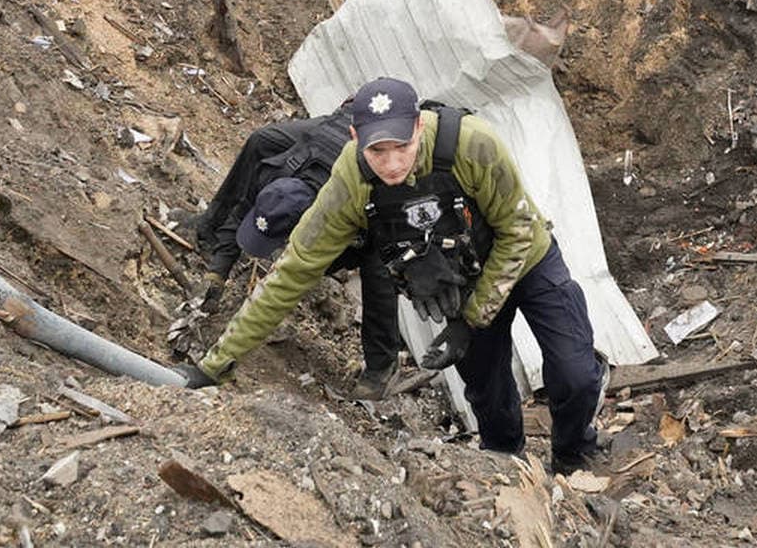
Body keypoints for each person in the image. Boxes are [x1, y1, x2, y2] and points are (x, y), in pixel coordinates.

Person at [189, 77, 610, 476]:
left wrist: (472, 319)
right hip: (462, 277)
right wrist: (216, 363)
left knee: (573, 374)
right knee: (486, 387)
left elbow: (518, 232)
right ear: (356, 140)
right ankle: (507, 463)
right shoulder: (351, 183)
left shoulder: (470, 142)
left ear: (418, 126)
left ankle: (573, 456)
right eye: (377, 152)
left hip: (527, 259)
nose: (391, 164)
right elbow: (293, 271)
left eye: (402, 147)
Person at [171, 110, 400, 397]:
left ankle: (382, 366)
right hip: (349, 121)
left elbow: (286, 285)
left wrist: (213, 367)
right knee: (261, 139)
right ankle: (207, 225)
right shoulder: (276, 172)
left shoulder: (342, 208)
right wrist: (217, 271)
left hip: (386, 142)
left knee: (379, 261)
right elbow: (243, 208)